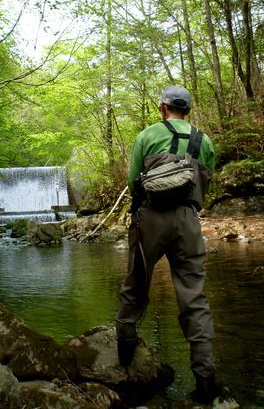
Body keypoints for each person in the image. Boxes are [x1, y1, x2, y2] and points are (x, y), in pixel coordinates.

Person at [116, 85, 222, 405]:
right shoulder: (205, 141)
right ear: (187, 111)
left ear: (162, 108)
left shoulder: (147, 136)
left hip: (149, 219)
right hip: (188, 222)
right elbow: (207, 180)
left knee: (136, 285)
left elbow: (133, 180)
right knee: (194, 298)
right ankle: (204, 379)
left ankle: (124, 354)